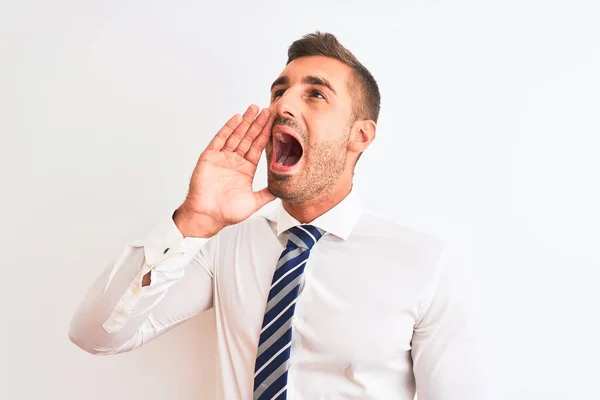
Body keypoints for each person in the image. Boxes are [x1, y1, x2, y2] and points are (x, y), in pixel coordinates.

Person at [69, 32, 485, 400]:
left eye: (315, 94)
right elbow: (96, 336)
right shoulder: (223, 245)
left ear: (361, 135)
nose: (282, 105)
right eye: (278, 92)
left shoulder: (428, 264)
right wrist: (193, 221)